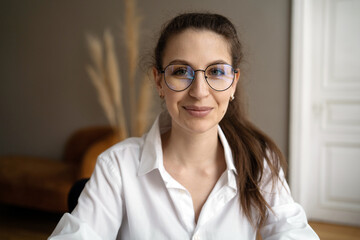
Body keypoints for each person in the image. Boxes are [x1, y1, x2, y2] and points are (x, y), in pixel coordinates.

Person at [49, 12, 319, 239]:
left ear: (233, 82)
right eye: (181, 71)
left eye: (216, 71)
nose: (200, 91)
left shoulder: (260, 162)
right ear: (159, 82)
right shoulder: (117, 166)